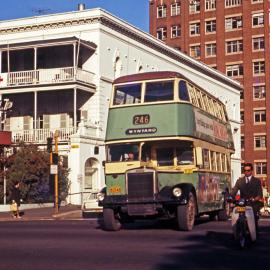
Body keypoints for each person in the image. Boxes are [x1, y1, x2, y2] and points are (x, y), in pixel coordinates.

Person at [230, 162, 263, 230]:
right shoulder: (240, 181)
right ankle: (236, 232)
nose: (246, 172)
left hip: (253, 203)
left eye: (248, 170)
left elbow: (260, 194)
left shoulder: (257, 181)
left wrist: (254, 199)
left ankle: (254, 232)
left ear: (251, 171)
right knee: (236, 215)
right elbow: (234, 191)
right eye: (245, 170)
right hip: (242, 203)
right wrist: (230, 197)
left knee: (253, 216)